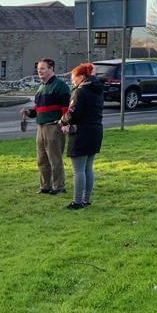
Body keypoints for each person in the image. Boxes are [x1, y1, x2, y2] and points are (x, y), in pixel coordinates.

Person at [22, 58, 70, 195]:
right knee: (42, 159)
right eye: (38, 69)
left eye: (42, 68)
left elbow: (65, 109)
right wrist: (29, 112)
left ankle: (58, 187)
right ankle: (45, 186)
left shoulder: (60, 86)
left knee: (55, 159)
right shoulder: (41, 86)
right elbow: (38, 109)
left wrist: (64, 125)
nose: (39, 71)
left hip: (54, 127)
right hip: (41, 127)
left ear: (51, 68)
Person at [60, 62, 104, 209]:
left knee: (78, 170)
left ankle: (77, 202)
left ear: (82, 77)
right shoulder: (97, 90)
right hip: (95, 131)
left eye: (74, 77)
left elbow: (73, 114)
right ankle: (86, 199)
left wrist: (62, 121)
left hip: (81, 133)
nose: (73, 81)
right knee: (88, 168)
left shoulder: (80, 91)